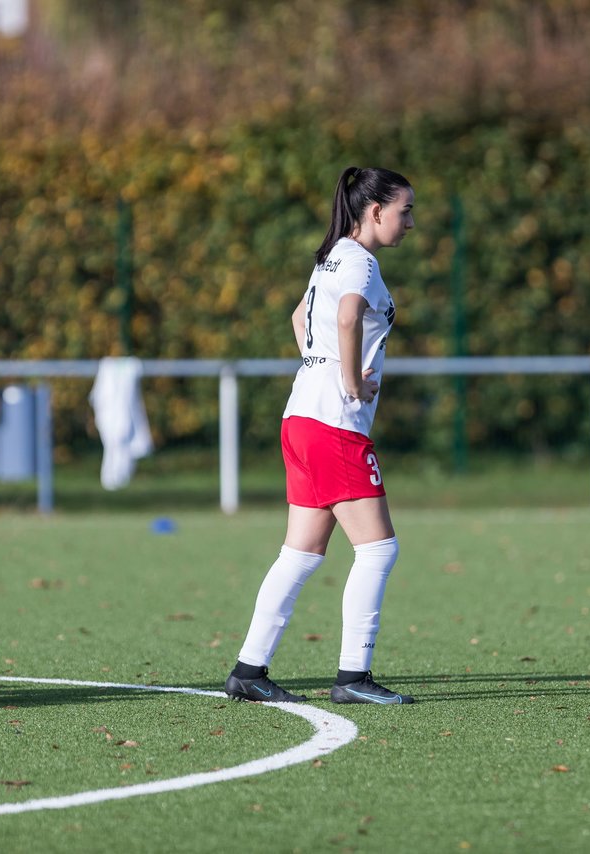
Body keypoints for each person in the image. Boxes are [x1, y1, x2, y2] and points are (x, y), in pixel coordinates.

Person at [226, 166, 416, 705]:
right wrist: (352, 380)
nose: (410, 222)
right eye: (405, 211)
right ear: (375, 212)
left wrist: (320, 366)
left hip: (301, 416)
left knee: (302, 554)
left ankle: (248, 670)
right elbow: (350, 316)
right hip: (332, 423)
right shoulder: (359, 260)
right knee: (379, 551)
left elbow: (298, 316)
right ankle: (353, 678)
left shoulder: (331, 255)